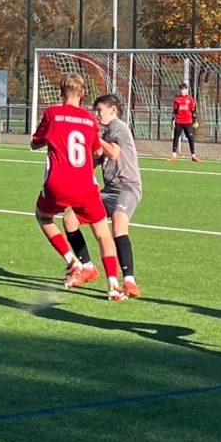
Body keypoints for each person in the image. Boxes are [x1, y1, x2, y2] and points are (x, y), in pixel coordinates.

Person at [31, 74, 124, 301]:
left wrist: (51, 139)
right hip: (85, 185)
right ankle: (113, 285)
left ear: (60, 92)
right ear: (83, 94)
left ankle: (72, 261)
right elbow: (97, 150)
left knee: (43, 217)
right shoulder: (90, 120)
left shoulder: (52, 114)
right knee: (103, 234)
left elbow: (35, 143)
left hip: (58, 184)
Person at [61, 93, 143, 298]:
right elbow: (92, 163)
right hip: (108, 191)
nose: (96, 115)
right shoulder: (105, 134)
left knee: (118, 223)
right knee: (70, 220)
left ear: (112, 110)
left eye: (99, 110)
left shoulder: (118, 127)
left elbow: (114, 153)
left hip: (127, 188)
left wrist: (95, 138)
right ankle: (88, 267)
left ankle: (129, 281)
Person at [169, 82, 199, 162]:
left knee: (191, 137)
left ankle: (193, 156)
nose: (182, 91)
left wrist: (195, 120)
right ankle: (174, 155)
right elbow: (175, 111)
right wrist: (173, 120)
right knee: (176, 137)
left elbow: (193, 110)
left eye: (184, 89)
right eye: (181, 90)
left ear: (187, 90)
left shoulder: (190, 99)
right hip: (179, 121)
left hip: (188, 122)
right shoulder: (177, 99)